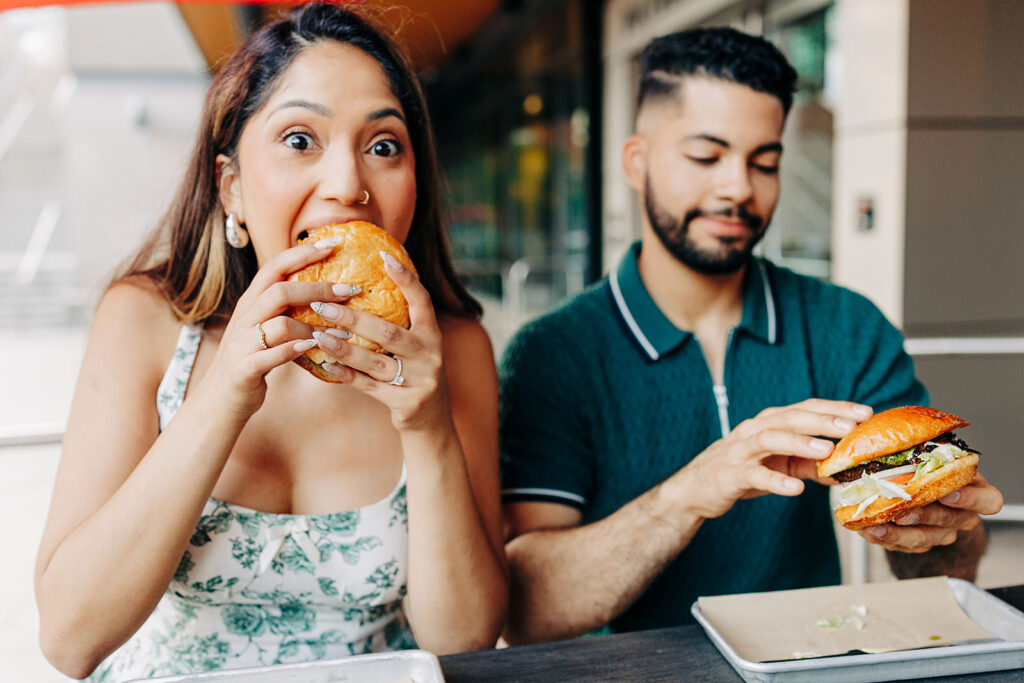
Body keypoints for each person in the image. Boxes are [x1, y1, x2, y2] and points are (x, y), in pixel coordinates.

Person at [34, 3, 508, 680]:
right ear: (232, 188)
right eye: (298, 139)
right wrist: (225, 391)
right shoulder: (142, 323)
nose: (348, 185)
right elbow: (70, 638)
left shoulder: (453, 352)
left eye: (383, 146)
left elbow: (462, 640)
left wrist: (428, 424)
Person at [498, 27, 1004, 644]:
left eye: (764, 162)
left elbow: (931, 567)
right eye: (707, 157)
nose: (739, 187)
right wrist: (692, 491)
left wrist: (946, 523)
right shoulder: (553, 353)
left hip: (812, 658)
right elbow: (526, 611)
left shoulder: (846, 325)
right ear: (636, 161)